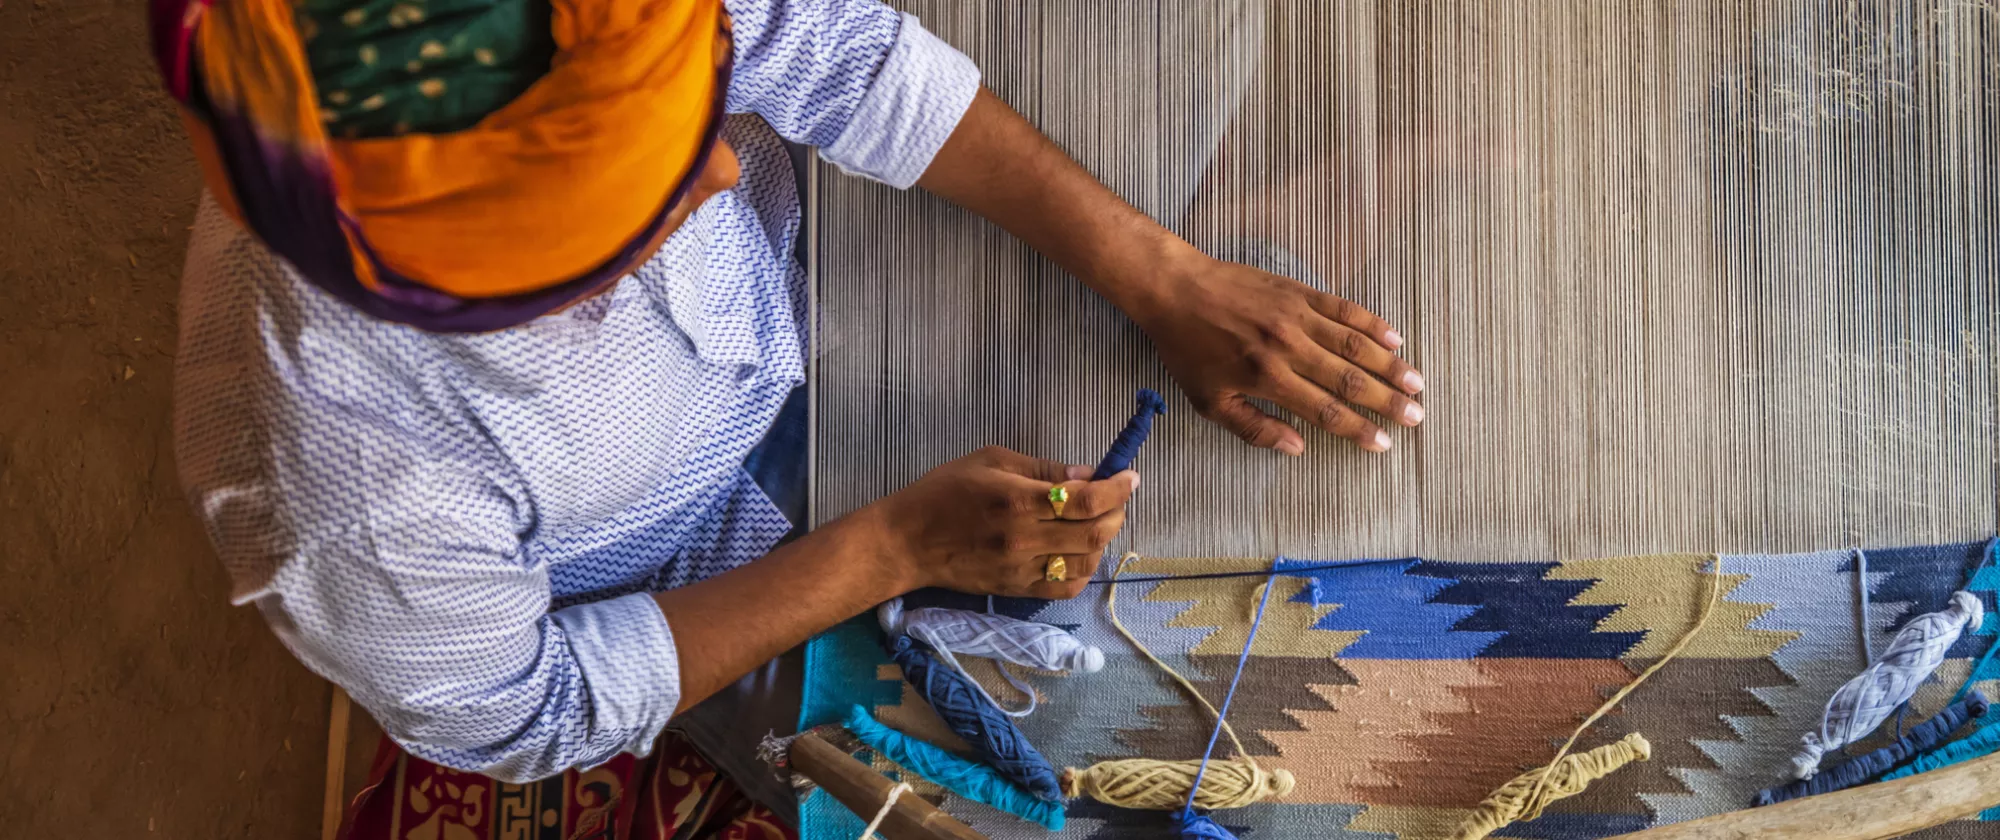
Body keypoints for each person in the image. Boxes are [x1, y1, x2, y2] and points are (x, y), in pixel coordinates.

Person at [154, 0, 1425, 834]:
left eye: (694, 115)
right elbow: (524, 712)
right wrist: (888, 552)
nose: (721, 166)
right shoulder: (352, 489)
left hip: (811, 266)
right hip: (694, 562)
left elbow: (837, 59)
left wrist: (1161, 275)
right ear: (487, 301)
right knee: (1053, 776)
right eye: (650, 200)